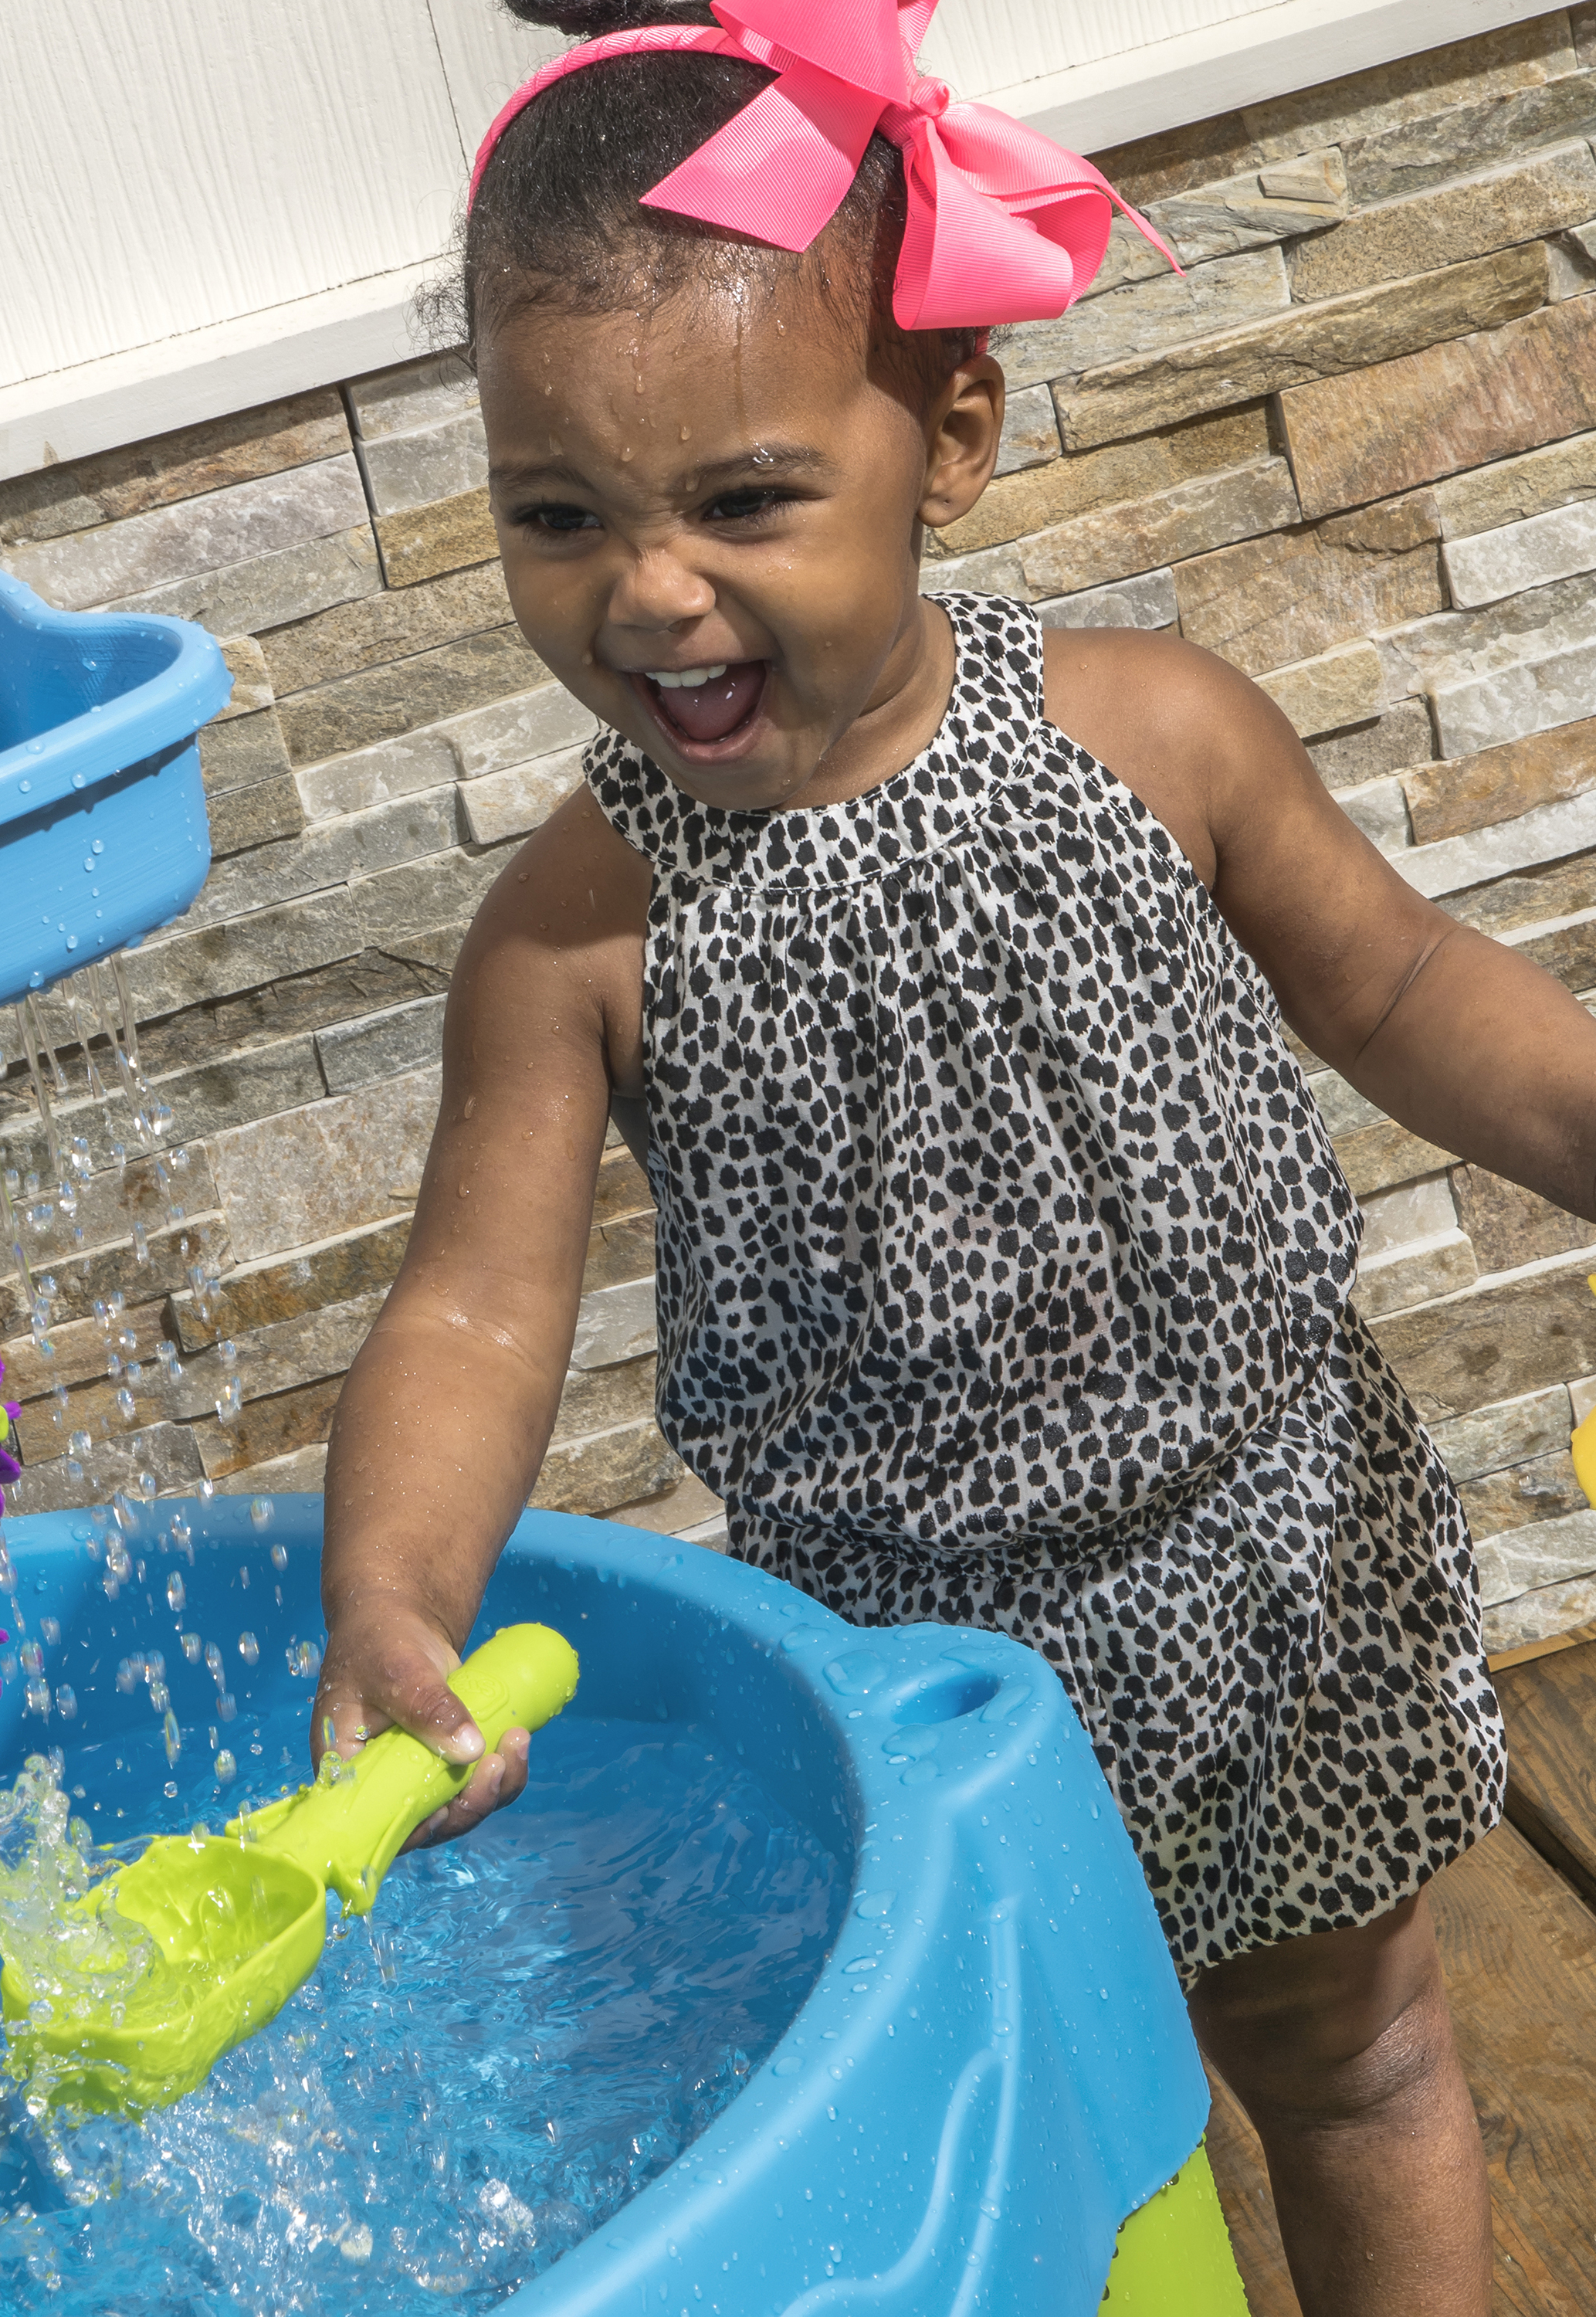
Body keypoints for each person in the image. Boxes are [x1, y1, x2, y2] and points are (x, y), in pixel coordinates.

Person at [307, 2, 1560, 2310]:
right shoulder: (575, 936)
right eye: (556, 517)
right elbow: (476, 1308)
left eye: (743, 499)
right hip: (922, 1680)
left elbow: (1397, 986)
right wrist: (394, 1593)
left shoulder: (1151, 735)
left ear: (949, 433)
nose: (650, 589)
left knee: (1362, 2056)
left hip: (1276, 1557)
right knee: (1039, 2141)